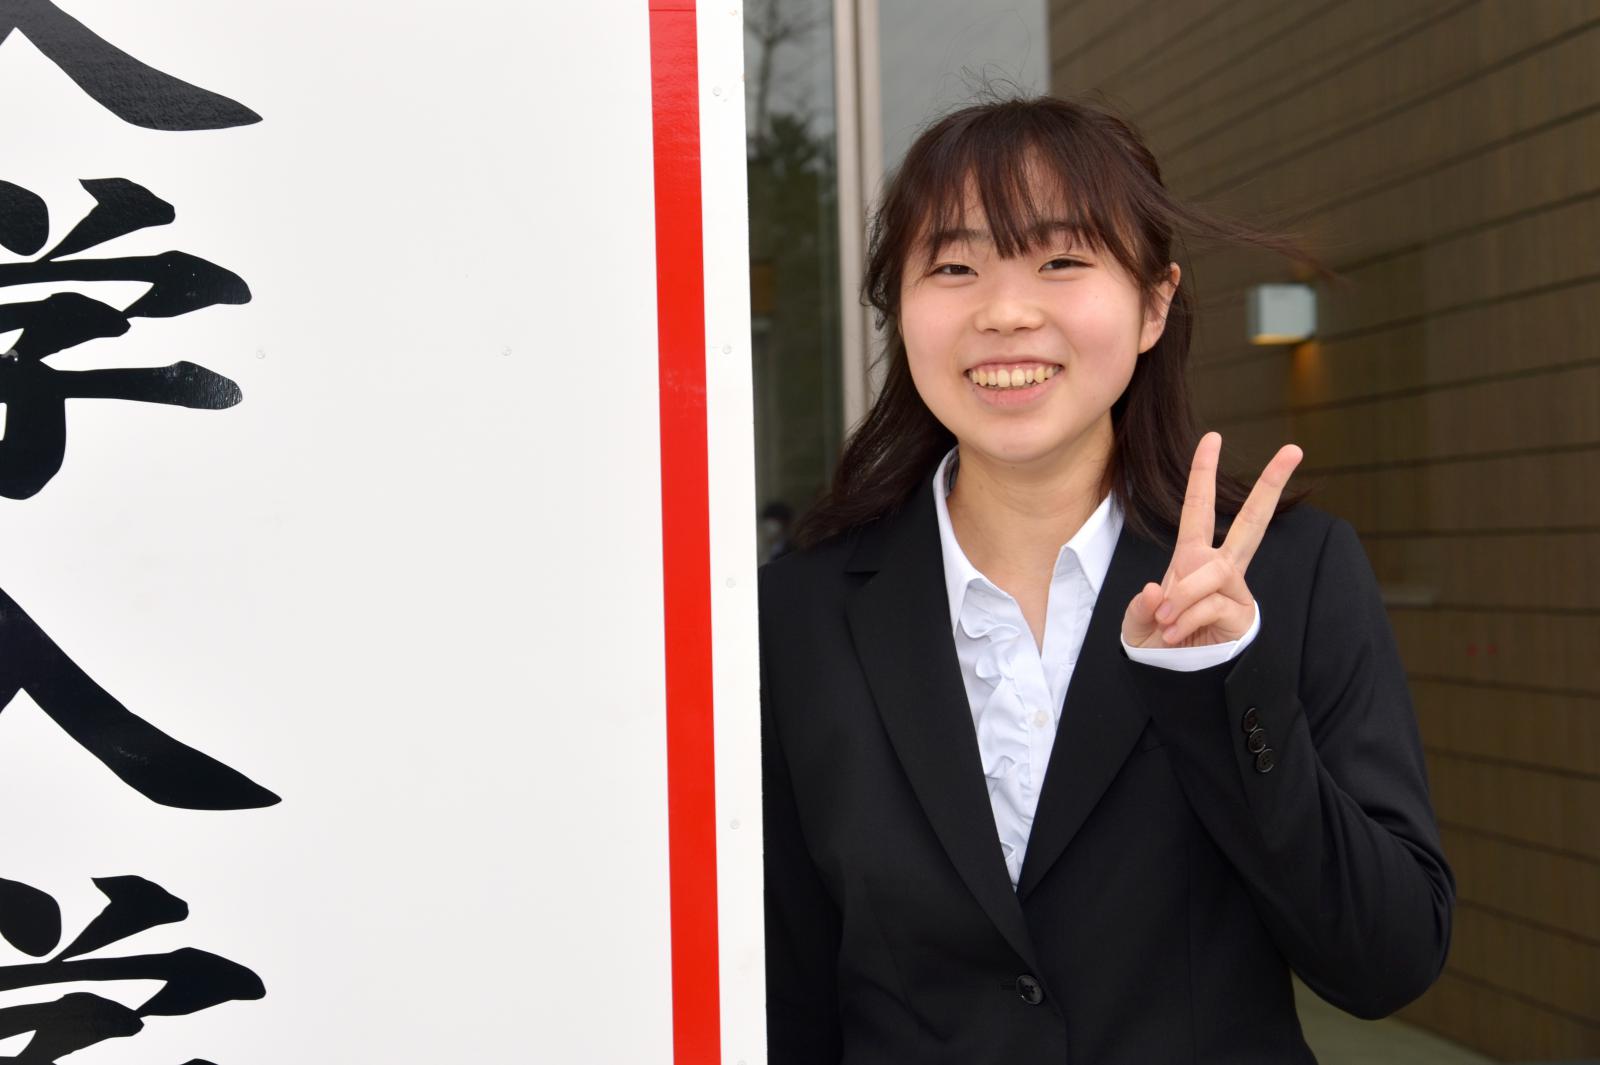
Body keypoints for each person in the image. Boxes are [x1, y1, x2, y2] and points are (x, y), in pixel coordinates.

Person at [758, 95, 1453, 1064]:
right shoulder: (799, 611)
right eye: (953, 267)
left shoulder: (1291, 573)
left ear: (1153, 305)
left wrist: (1223, 685)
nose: (1005, 312)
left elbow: (1387, 959)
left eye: (1061, 261)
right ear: (898, 309)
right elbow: (784, 989)